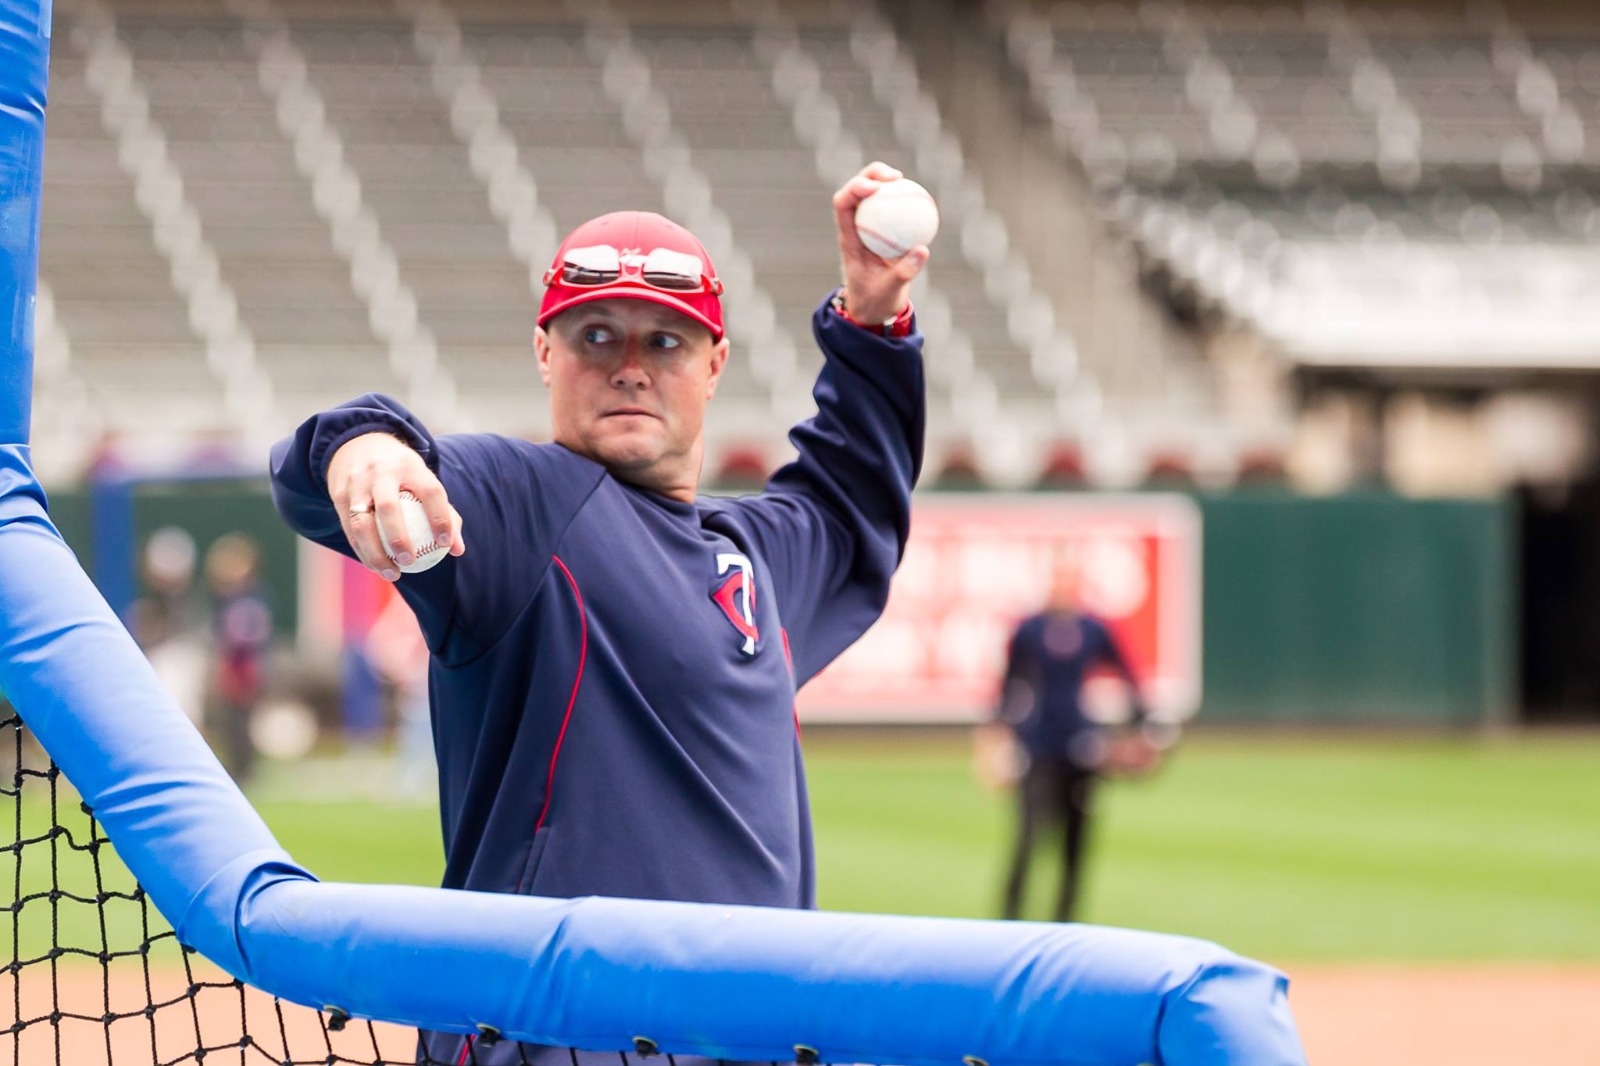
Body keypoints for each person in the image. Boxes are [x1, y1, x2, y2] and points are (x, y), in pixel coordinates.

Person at [268, 163, 929, 1065]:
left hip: (750, 1040)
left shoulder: (757, 558)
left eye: (666, 342)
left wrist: (873, 320)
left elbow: (852, 508)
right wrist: (361, 448)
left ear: (714, 365)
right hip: (557, 1044)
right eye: (596, 336)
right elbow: (342, 471)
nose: (629, 367)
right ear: (546, 353)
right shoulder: (525, 504)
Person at [983, 553, 1168, 924]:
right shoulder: (1030, 630)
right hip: (1038, 748)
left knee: (1076, 849)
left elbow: (1129, 677)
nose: (1064, 588)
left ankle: (1066, 925)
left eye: (1071, 580)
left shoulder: (1094, 629)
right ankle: (1008, 924)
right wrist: (995, 741)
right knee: (1027, 841)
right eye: (1059, 579)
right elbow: (1009, 687)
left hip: (1083, 751)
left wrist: (1144, 726)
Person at [203, 532, 273, 787]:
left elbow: (247, 636)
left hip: (244, 666)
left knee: (241, 719)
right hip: (232, 665)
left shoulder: (250, 598)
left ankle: (245, 767)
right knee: (229, 720)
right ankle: (237, 765)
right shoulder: (228, 599)